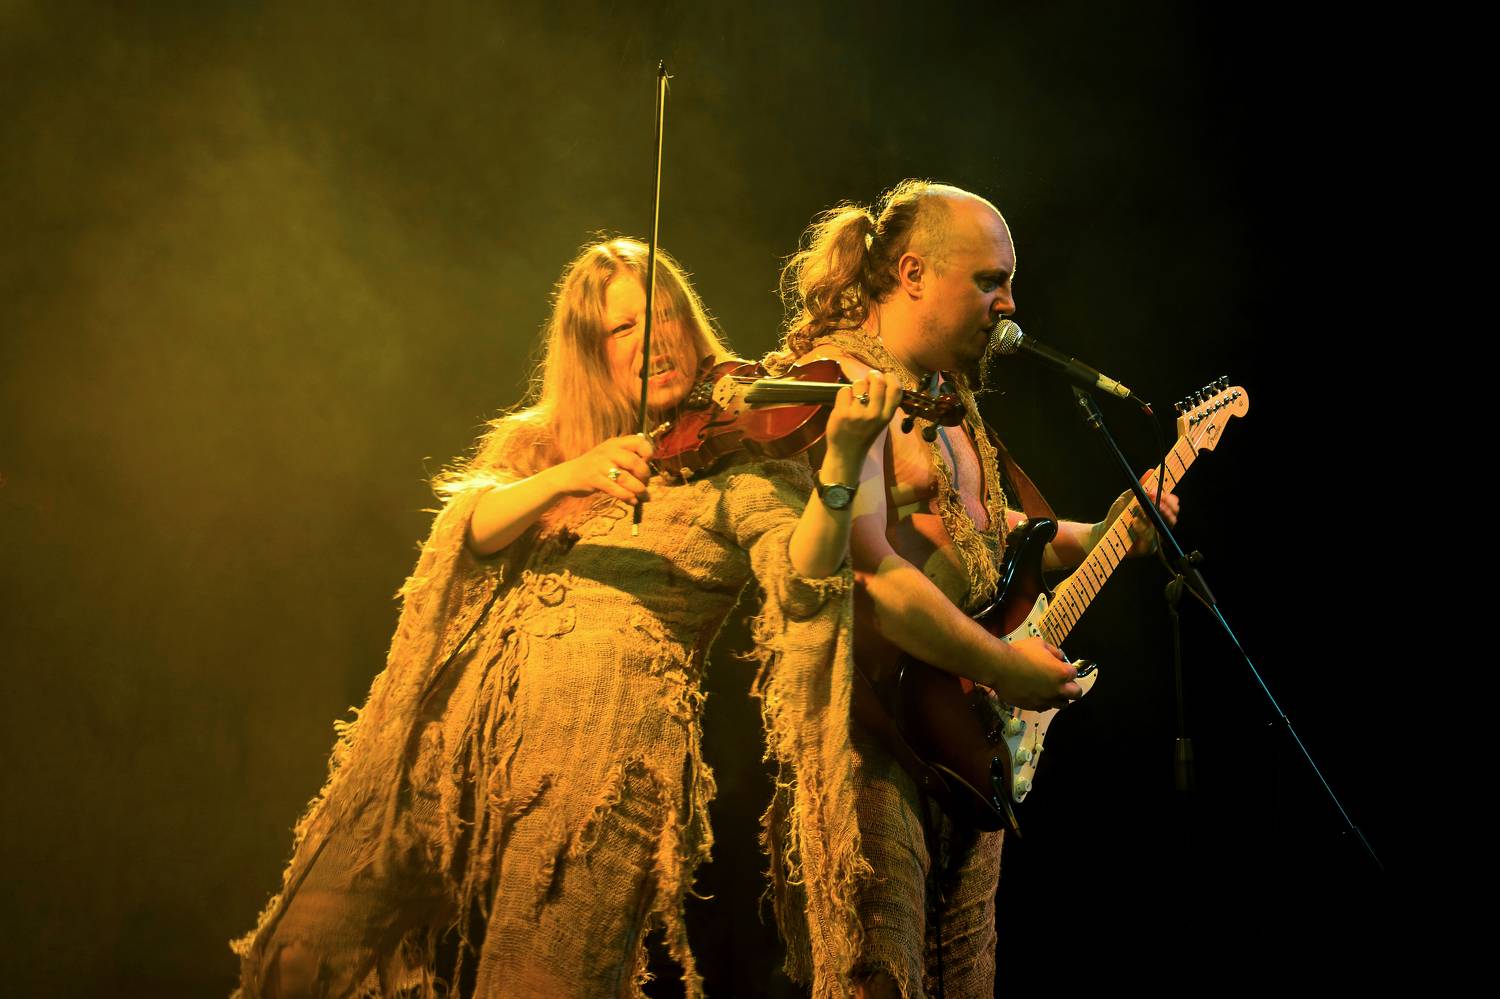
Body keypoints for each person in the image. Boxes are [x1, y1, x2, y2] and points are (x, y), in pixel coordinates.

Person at [232, 236, 901, 998]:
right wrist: (569, 475)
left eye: (665, 316)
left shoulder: (741, 464)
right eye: (623, 329)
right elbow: (469, 528)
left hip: (599, 762)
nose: (653, 342)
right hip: (455, 739)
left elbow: (805, 577)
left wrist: (842, 461)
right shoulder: (543, 447)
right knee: (300, 953)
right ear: (590, 353)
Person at [766, 181, 1180, 998]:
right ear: (913, 273)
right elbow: (872, 575)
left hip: (961, 739)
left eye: (1009, 283)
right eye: (991, 280)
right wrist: (1003, 665)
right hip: (872, 744)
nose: (1009, 302)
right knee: (878, 977)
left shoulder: (948, 396)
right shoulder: (846, 386)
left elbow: (998, 533)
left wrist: (1106, 532)